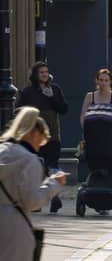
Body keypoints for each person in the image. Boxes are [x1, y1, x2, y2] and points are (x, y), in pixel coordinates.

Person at [0, 107, 66, 260]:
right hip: (15, 228)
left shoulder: (2, 151)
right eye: (42, 140)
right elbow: (32, 201)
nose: (40, 145)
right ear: (34, 133)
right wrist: (53, 184)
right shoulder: (29, 160)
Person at [16, 61, 68, 213]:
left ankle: (55, 196)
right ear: (35, 75)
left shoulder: (55, 89)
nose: (44, 74)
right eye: (41, 72)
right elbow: (19, 110)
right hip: (33, 137)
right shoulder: (27, 92)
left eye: (46, 72)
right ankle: (37, 202)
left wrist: (52, 98)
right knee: (36, 167)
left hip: (51, 134)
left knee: (52, 166)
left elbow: (64, 109)